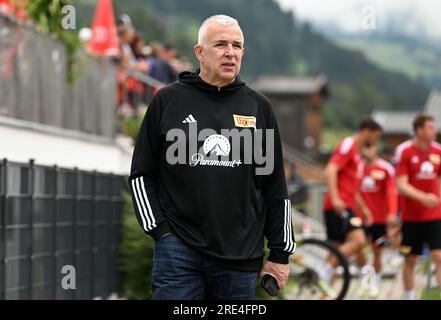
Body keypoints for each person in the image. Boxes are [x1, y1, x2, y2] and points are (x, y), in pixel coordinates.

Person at [128, 14, 295, 300]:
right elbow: (142, 175)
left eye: (237, 45)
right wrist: (160, 232)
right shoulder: (167, 101)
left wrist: (280, 254)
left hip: (240, 258)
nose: (230, 52)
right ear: (200, 52)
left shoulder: (259, 108)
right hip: (178, 251)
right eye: (220, 44)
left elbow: (275, 189)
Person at [321, 118, 382, 283]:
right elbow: (330, 170)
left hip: (347, 206)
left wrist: (364, 208)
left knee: (334, 251)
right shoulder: (347, 145)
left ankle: (325, 291)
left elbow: (352, 188)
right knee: (359, 240)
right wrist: (335, 198)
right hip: (338, 206)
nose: (375, 141)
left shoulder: (357, 152)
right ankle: (325, 271)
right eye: (375, 137)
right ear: (366, 132)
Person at [395, 113, 441, 300]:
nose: (434, 130)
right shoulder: (405, 151)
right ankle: (409, 296)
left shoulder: (438, 151)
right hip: (411, 217)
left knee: (439, 257)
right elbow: (401, 184)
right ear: (419, 130)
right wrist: (423, 197)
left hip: (435, 215)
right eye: (430, 127)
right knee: (410, 260)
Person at [355, 143, 398, 299]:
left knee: (377, 252)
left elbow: (391, 192)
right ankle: (364, 282)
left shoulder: (386, 169)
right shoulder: (357, 167)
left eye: (370, 147)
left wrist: (392, 213)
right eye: (364, 147)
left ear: (375, 148)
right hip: (360, 217)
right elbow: (353, 190)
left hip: (379, 218)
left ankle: (375, 284)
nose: (367, 150)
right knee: (360, 250)